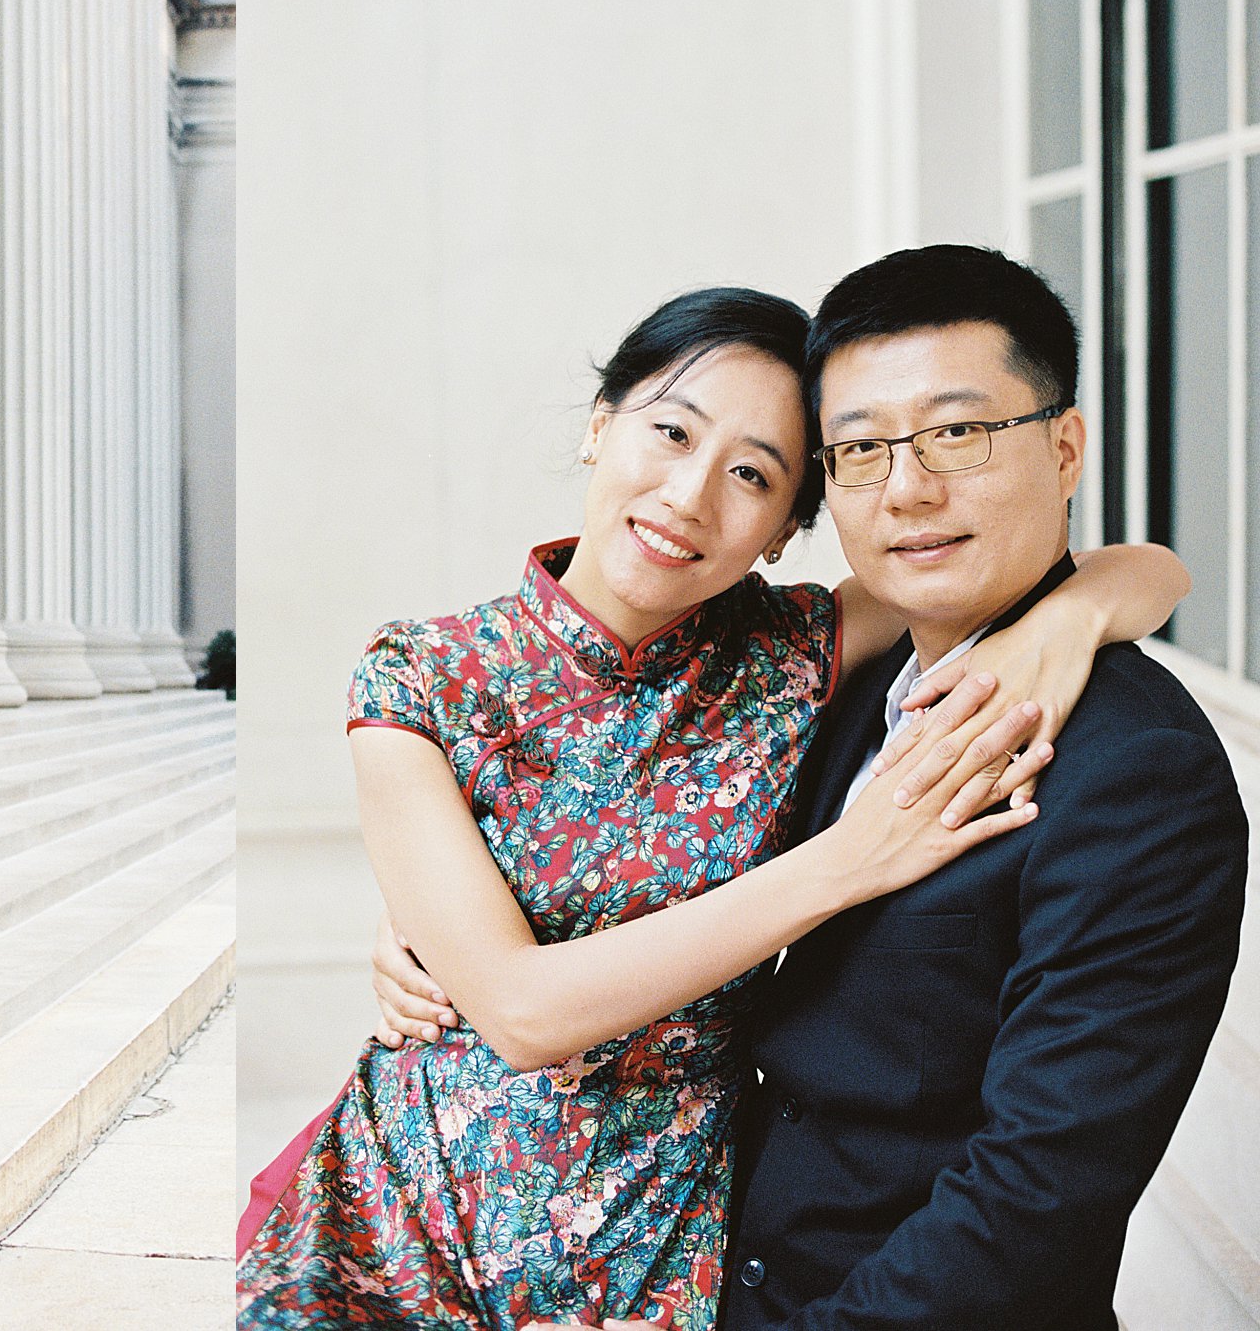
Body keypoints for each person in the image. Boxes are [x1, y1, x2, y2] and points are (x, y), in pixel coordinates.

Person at [237, 285, 1192, 1330]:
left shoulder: (789, 659)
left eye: (751, 475)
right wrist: (847, 859)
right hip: (405, 1212)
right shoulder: (421, 675)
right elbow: (518, 1012)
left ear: (786, 528)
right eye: (668, 432)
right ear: (601, 425)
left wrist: (1074, 618)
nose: (688, 497)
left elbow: (1029, 567)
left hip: (658, 1241)